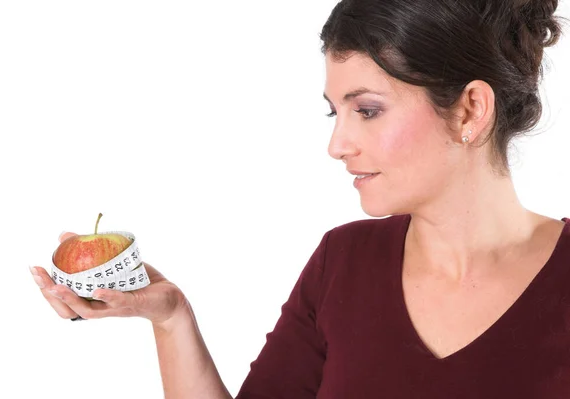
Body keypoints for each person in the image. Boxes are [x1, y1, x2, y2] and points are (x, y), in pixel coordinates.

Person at [30, 0, 570, 397]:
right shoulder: (343, 262)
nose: (337, 145)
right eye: (335, 112)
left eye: (368, 109)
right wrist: (172, 319)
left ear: (471, 110)